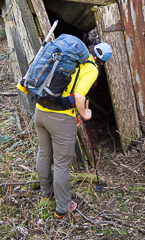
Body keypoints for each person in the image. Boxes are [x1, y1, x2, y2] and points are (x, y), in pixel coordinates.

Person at [34, 41, 112, 219]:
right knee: (61, 162)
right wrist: (85, 113)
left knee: (44, 153)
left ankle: (47, 192)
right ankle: (63, 208)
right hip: (60, 118)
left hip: (40, 111)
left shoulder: (70, 58)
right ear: (102, 61)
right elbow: (78, 95)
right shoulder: (91, 69)